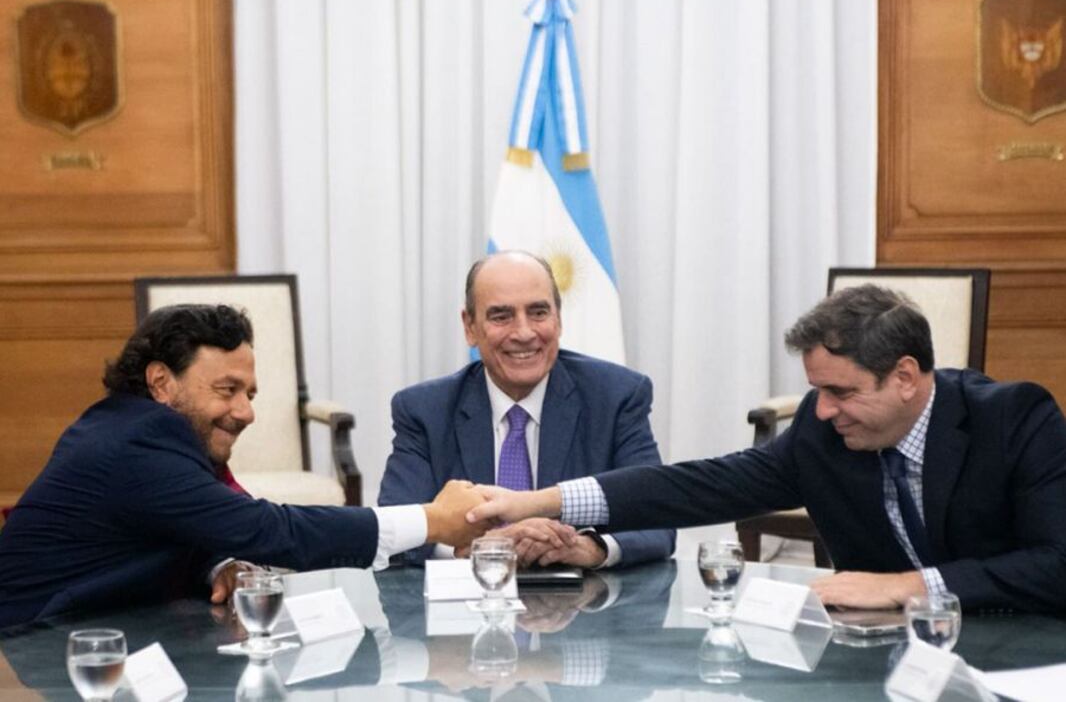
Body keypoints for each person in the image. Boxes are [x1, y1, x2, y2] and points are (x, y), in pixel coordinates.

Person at [467, 284, 1066, 613]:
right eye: (817, 391)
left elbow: (1056, 566)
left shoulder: (1013, 420)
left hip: (1016, 649)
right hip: (878, 661)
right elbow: (698, 487)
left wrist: (911, 585)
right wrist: (538, 501)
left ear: (905, 377)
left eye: (841, 392)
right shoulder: (823, 431)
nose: (822, 410)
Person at [0, 304, 488, 628]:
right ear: (161, 382)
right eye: (226, 390)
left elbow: (176, 521)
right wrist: (431, 520)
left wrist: (222, 560)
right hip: (30, 651)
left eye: (249, 394)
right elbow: (269, 529)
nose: (246, 412)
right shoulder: (137, 444)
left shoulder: (131, 426)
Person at [379, 251, 675, 569]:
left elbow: (657, 518)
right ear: (470, 327)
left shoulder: (616, 397)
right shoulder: (425, 411)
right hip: (468, 595)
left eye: (538, 312)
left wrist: (588, 548)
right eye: (501, 316)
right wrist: (483, 549)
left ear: (558, 319)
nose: (523, 333)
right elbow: (394, 530)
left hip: (587, 596)